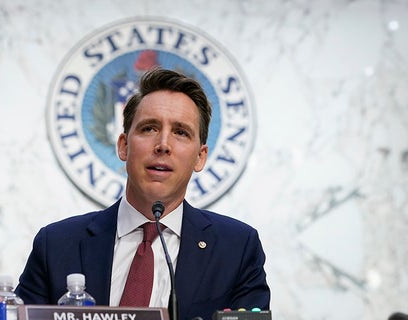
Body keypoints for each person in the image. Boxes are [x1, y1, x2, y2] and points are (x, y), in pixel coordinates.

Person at [15, 68, 270, 320]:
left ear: (200, 157)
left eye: (181, 132)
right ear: (124, 146)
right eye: (149, 128)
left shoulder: (236, 249)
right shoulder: (56, 245)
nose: (163, 145)